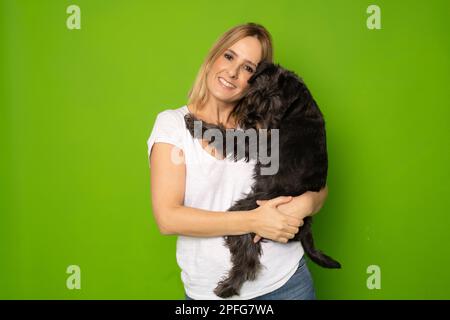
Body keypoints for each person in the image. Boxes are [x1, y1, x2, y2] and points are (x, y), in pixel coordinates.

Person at [147, 23, 328, 300]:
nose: (233, 72)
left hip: (288, 283)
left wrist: (304, 205)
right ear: (213, 58)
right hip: (212, 292)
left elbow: (314, 182)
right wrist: (255, 220)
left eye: (248, 68)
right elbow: (168, 218)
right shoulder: (173, 125)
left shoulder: (265, 124)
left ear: (258, 79)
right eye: (229, 57)